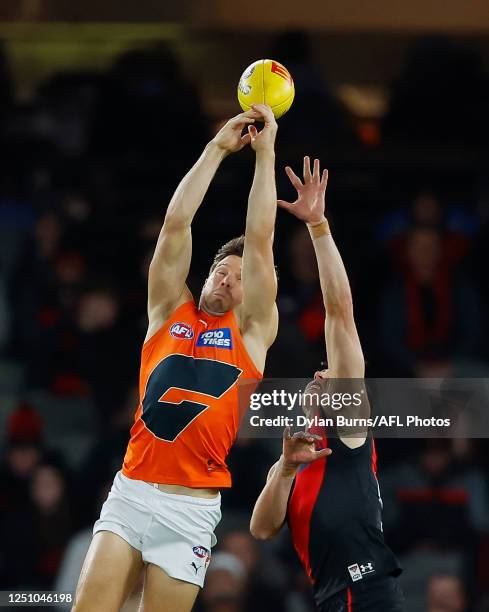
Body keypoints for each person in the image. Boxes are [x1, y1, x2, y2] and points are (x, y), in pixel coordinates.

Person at [73, 104, 279, 612]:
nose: (223, 277)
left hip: (191, 509)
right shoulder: (168, 309)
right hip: (133, 491)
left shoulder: (252, 332)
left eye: (236, 275)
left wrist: (265, 156)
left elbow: (260, 239)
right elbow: (176, 224)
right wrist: (216, 150)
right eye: (217, 269)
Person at [250, 157, 403, 611]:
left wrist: (318, 228)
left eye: (331, 373)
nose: (322, 375)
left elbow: (339, 310)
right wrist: (285, 468)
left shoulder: (349, 427)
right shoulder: (295, 450)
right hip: (331, 594)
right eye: (318, 373)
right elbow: (261, 528)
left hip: (368, 586)